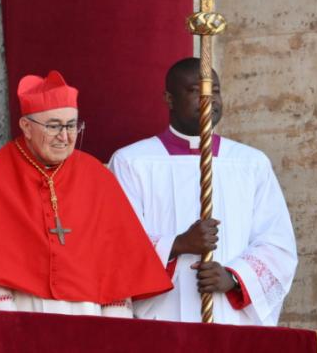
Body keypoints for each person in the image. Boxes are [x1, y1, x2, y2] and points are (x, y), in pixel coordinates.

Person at [0, 70, 172, 316]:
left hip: (90, 319)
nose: (65, 136)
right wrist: (7, 331)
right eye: (53, 126)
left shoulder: (97, 176)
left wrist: (113, 331)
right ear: (26, 127)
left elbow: (116, 270)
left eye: (72, 125)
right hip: (23, 316)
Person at [108, 57, 298, 325]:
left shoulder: (251, 163)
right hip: (161, 321)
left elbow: (278, 245)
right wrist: (178, 244)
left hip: (228, 319)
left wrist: (233, 278)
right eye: (196, 90)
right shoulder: (132, 162)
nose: (209, 99)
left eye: (215, 90)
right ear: (169, 98)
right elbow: (116, 244)